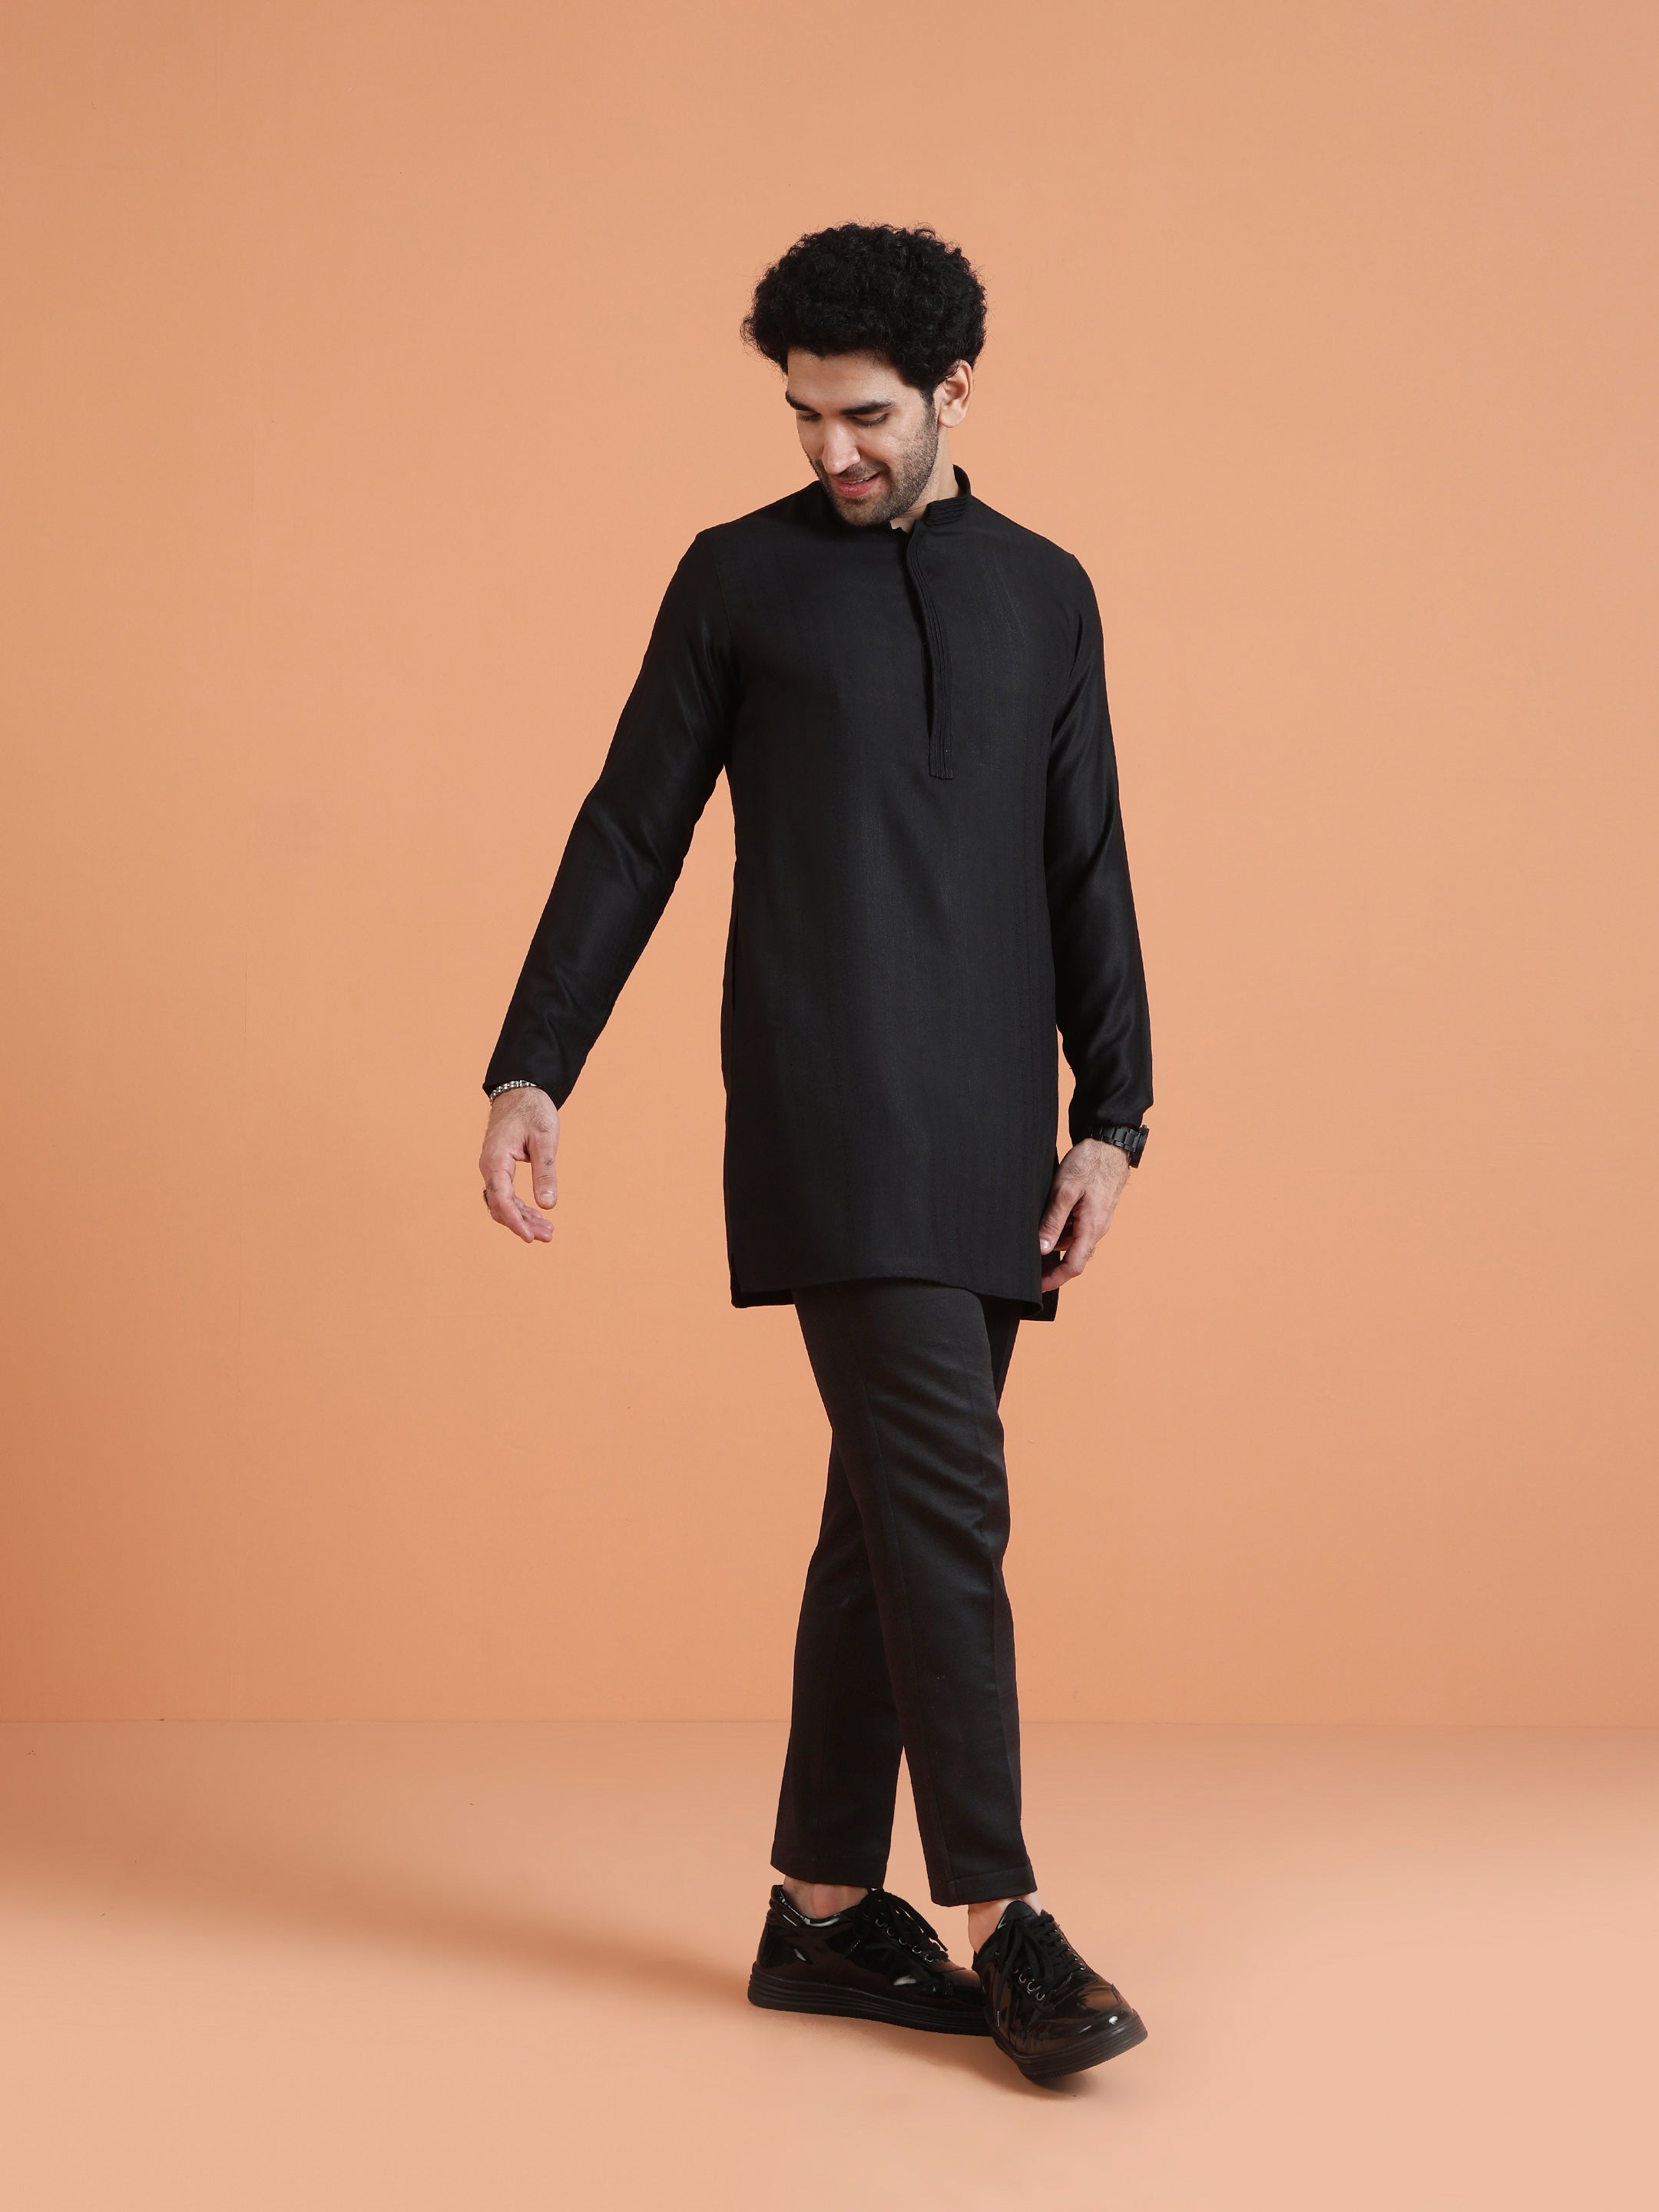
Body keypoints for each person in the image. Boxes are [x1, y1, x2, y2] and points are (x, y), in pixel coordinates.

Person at [478, 223, 1153, 2083]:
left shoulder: (1047, 593)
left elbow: (1086, 860)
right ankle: (1006, 1919)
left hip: (990, 1126)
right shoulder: (740, 580)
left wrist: (1115, 1118)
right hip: (827, 1103)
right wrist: (534, 1067)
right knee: (948, 1502)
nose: (832, 451)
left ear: (954, 392)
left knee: (886, 1516)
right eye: (802, 417)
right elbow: (631, 830)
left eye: (865, 416)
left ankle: (825, 1913)